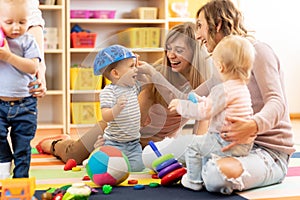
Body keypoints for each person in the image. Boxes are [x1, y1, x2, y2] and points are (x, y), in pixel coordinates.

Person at [138, 0, 295, 194]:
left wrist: (252, 126)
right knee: (151, 156)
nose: (197, 35)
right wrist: (155, 78)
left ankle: (207, 169)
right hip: (223, 144)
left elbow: (277, 102)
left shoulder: (258, 51)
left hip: (267, 152)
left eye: (200, 26)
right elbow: (190, 98)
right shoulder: (222, 65)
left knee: (215, 176)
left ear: (218, 24)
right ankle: (204, 167)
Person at [36, 22, 212, 165]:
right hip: (123, 132)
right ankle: (54, 142)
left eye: (179, 50)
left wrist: (194, 154)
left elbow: (200, 125)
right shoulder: (154, 74)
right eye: (168, 49)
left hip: (154, 144)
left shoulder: (203, 81)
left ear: (194, 53)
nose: (171, 55)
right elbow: (133, 121)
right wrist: (129, 71)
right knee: (73, 155)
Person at [168, 35, 255, 191]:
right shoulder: (241, 88)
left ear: (220, 67)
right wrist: (202, 100)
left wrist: (181, 106)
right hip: (242, 143)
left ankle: (193, 181)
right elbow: (216, 106)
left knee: (193, 146)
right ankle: (202, 174)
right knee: (205, 145)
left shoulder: (222, 89)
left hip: (224, 142)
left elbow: (204, 113)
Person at [0, 0, 42, 179]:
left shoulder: (28, 40)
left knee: (22, 148)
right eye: (9, 22)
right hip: (0, 104)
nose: (16, 27)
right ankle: (4, 162)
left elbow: (33, 67)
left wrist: (9, 56)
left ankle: (21, 182)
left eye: (22, 22)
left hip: (25, 105)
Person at [93, 44, 145, 172]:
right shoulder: (108, 92)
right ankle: (93, 158)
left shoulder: (132, 87)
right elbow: (105, 116)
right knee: (112, 169)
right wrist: (116, 109)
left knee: (138, 168)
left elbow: (145, 79)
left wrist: (135, 64)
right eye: (131, 67)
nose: (135, 70)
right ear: (116, 73)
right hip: (114, 142)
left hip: (134, 143)